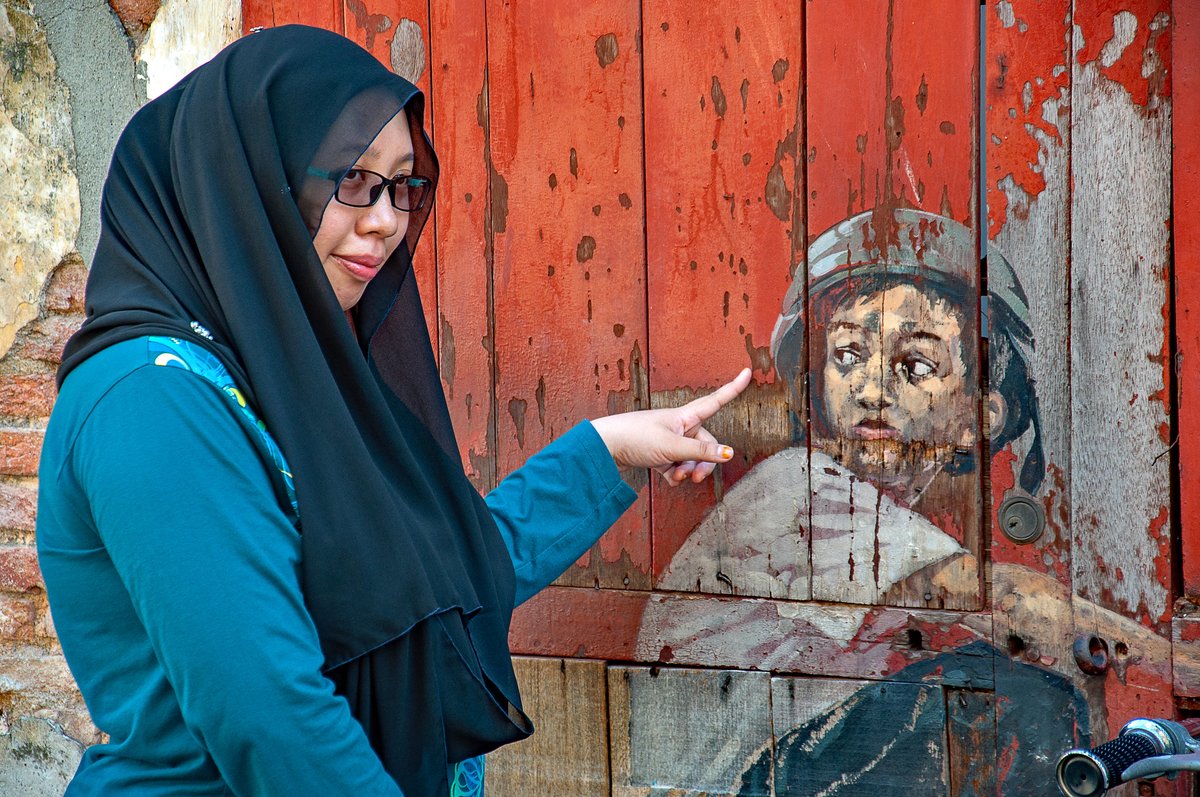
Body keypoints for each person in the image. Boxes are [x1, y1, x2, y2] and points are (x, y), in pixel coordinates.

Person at [35, 25, 749, 797]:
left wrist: (604, 450)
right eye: (350, 179)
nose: (385, 219)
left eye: (401, 185)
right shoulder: (153, 401)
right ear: (250, 184)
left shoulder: (282, 377)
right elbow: (271, 715)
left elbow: (424, 582)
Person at [652, 208, 1042, 609]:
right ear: (816, 386)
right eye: (848, 355)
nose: (872, 391)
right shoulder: (796, 487)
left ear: (979, 418)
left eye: (917, 366)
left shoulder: (895, 521)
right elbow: (959, 589)